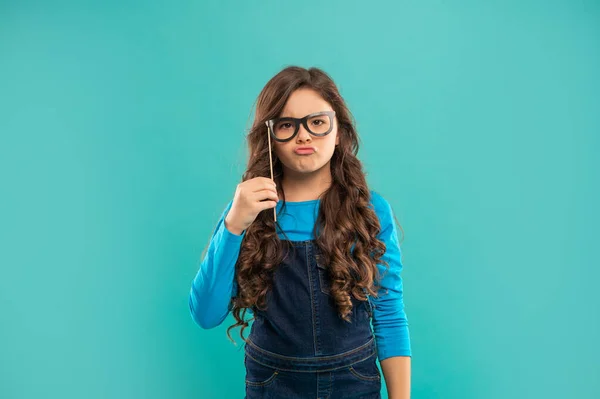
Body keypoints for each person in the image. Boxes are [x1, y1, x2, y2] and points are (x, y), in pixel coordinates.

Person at [189, 66, 411, 399]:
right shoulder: (247, 212)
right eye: (287, 125)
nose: (303, 136)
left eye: (317, 122)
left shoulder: (369, 211)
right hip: (274, 385)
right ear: (270, 137)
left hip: (354, 384)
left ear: (338, 132)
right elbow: (206, 315)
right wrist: (234, 224)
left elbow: (389, 313)